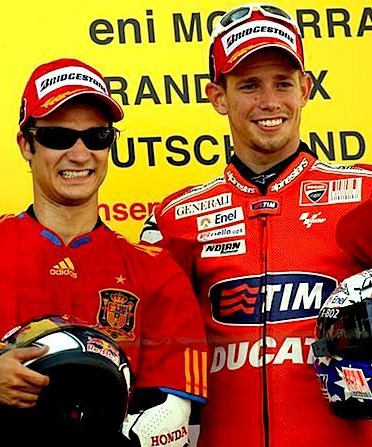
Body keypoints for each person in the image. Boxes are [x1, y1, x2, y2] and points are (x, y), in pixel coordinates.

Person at [0, 58, 208, 447]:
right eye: (58, 137)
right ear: (26, 144)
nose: (79, 154)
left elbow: (171, 413)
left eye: (96, 137)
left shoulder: (156, 269)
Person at [139, 4, 372, 446]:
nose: (269, 102)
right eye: (249, 85)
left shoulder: (365, 196)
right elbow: (143, 350)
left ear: (305, 89)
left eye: (282, 83)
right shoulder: (175, 219)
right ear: (217, 97)